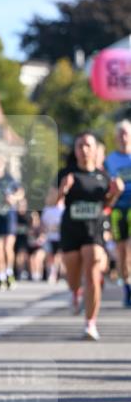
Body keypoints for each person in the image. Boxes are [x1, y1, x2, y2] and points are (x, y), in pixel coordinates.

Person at [58, 131, 122, 340]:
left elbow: (106, 206)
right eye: (80, 146)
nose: (84, 149)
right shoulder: (66, 174)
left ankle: (90, 323)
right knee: (73, 276)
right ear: (75, 150)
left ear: (96, 150)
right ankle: (75, 292)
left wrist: (115, 193)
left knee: (93, 268)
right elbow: (50, 201)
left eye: (88, 145)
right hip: (71, 231)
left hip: (93, 231)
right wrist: (62, 191)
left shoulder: (103, 177)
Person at [0, 153, 23, 289]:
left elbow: (20, 192)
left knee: (7, 246)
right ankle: (0, 276)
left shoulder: (9, 178)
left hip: (8, 215)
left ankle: (9, 272)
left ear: (2, 164)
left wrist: (13, 197)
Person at [104, 120, 131, 306]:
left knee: (130, 249)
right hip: (117, 208)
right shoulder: (109, 160)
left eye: (126, 133)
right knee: (121, 253)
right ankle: (127, 288)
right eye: (120, 133)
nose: (123, 137)